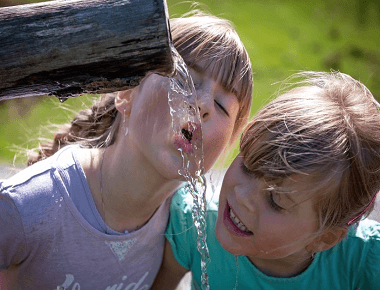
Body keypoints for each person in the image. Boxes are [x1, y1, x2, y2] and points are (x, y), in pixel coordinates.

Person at [0, 12, 253, 289]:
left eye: (220, 105)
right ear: (125, 93)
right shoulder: (28, 205)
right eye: (185, 80)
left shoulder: (183, 227)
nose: (202, 104)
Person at [153, 71, 380, 290]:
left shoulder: (364, 261)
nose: (242, 196)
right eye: (247, 166)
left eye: (275, 200)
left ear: (324, 238)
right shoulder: (193, 224)